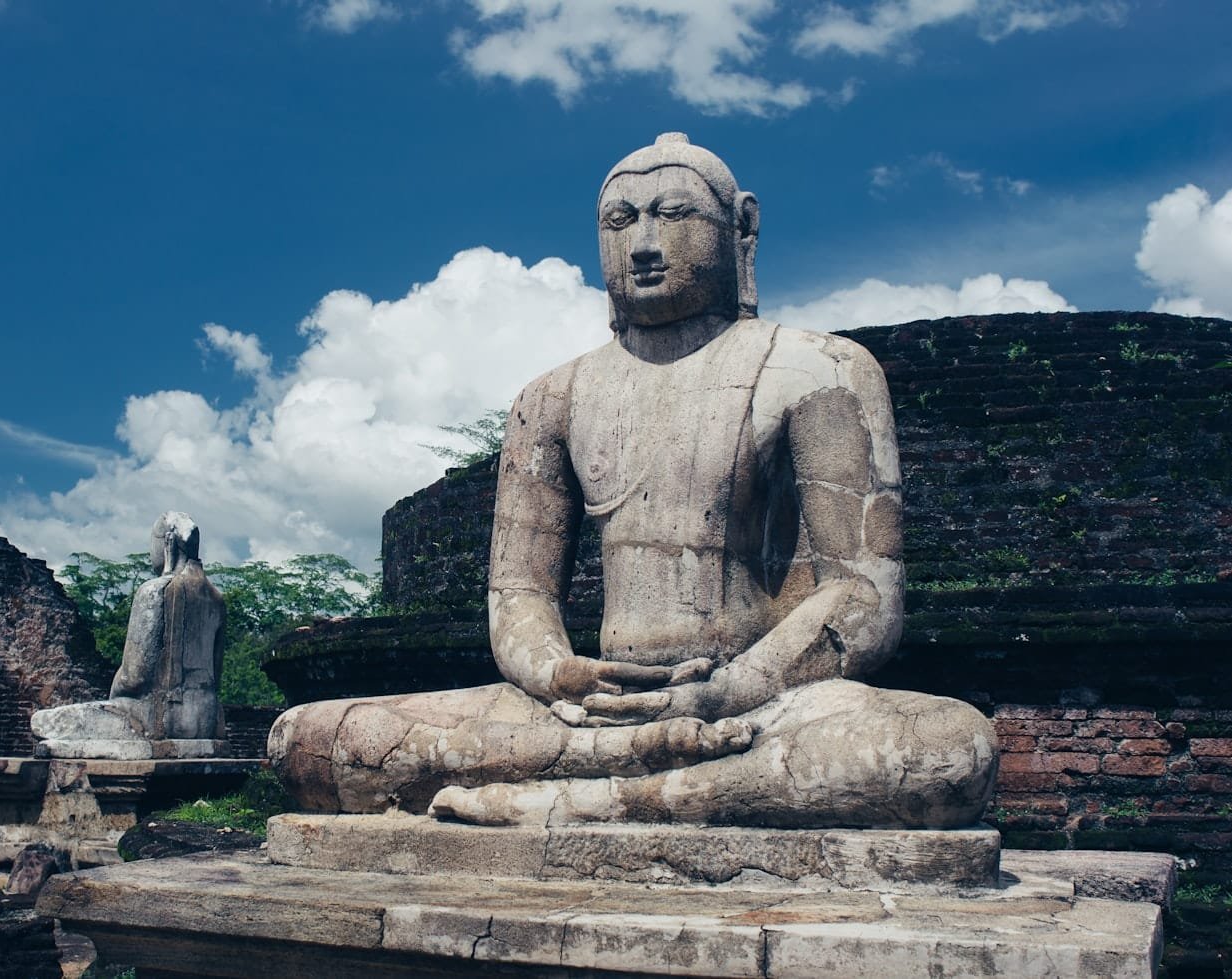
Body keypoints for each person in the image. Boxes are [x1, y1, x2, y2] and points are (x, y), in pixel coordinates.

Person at [268, 134, 997, 828]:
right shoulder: (551, 396)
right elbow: (518, 595)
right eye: (619, 221)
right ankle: (648, 775)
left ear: (740, 228)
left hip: (756, 705)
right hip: (583, 714)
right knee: (306, 736)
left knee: (943, 750)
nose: (643, 243)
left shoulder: (819, 370)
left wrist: (729, 689)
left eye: (674, 215)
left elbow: (862, 595)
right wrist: (559, 673)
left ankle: (576, 801)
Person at [32, 511, 224, 750]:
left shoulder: (155, 591)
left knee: (44, 722)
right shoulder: (216, 599)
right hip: (205, 718)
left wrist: (114, 692)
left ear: (168, 544)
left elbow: (134, 677)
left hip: (153, 718)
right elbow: (216, 676)